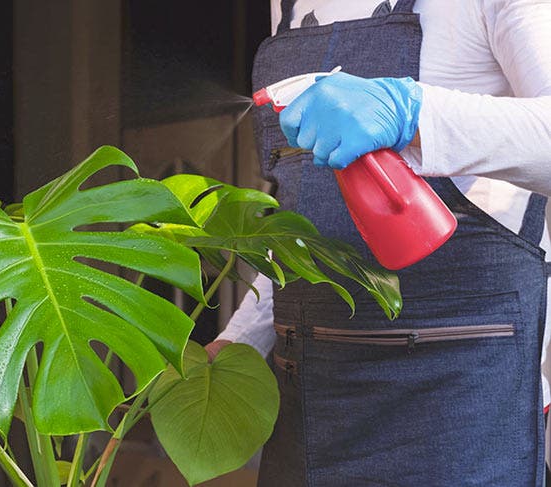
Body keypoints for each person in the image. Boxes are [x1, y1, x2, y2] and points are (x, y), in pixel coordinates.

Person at [205, 1, 551, 485]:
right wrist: (237, 340)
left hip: (457, 410)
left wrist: (411, 113)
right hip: (307, 417)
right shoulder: (287, 9)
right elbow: (306, 227)